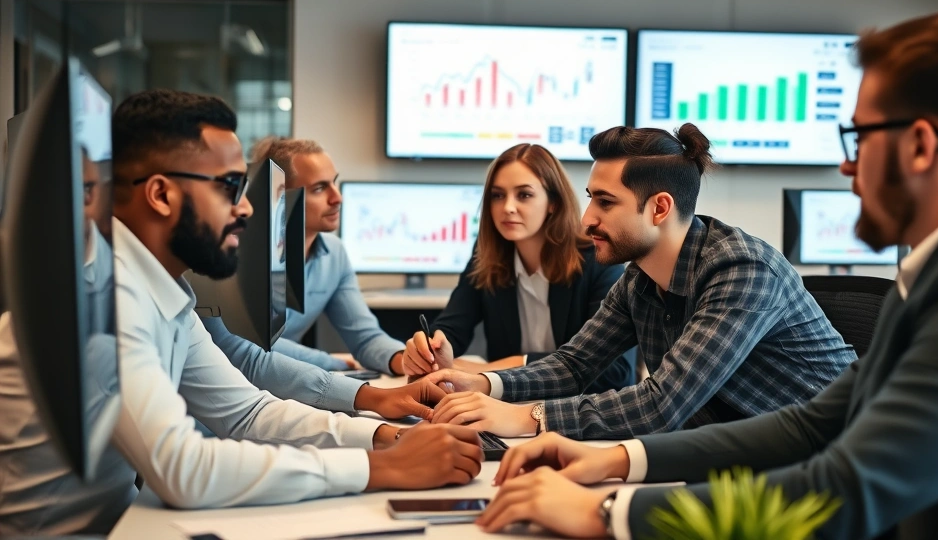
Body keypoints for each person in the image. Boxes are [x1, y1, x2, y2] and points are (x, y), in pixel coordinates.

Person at [471, 11, 938, 540]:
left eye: (859, 138)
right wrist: (617, 457)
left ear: (922, 146)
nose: (847, 166)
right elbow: (809, 426)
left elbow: (850, 484)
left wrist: (610, 507)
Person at [0, 89, 483, 536]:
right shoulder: (105, 298)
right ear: (162, 194)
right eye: (230, 186)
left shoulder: (164, 291)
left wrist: (381, 439)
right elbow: (183, 471)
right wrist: (383, 469)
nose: (248, 210)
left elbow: (248, 411)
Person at [418, 124, 854, 439]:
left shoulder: (742, 271)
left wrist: (524, 417)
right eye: (591, 199)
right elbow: (574, 365)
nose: (587, 220)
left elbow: (662, 405)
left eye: (605, 203)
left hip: (828, 466)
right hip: (732, 453)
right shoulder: (639, 279)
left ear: (659, 208)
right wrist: (485, 385)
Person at [402, 143, 634, 394]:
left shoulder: (597, 260)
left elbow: (615, 370)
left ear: (553, 202)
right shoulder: (486, 257)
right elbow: (452, 328)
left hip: (580, 412)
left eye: (524, 195)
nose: (507, 207)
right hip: (505, 407)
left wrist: (495, 370)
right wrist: (430, 348)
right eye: (497, 195)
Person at [239, 136, 407, 375]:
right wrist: (332, 363)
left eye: (334, 183)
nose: (337, 198)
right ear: (277, 196)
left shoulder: (334, 253)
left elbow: (365, 337)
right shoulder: (241, 254)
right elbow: (255, 342)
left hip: (288, 382)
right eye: (319, 188)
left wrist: (403, 359)